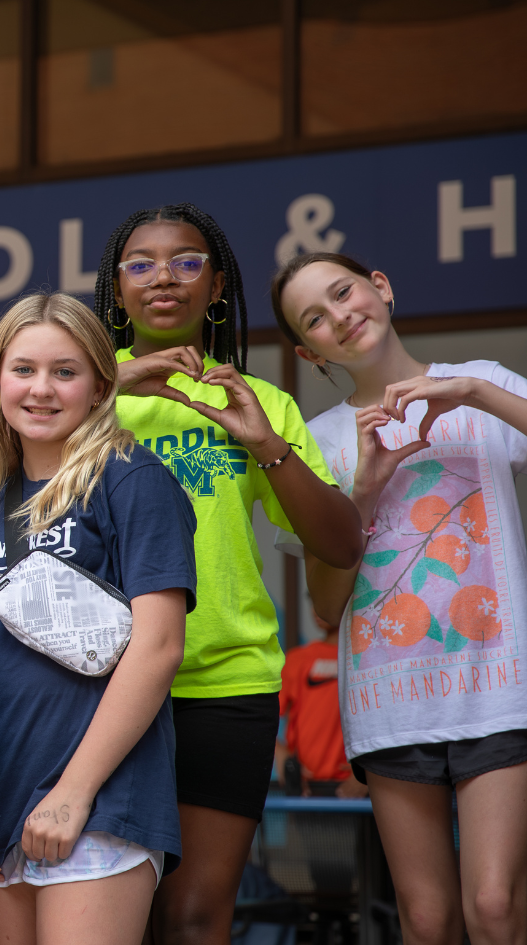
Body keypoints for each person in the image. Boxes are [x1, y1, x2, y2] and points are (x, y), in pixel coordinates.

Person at [92, 204, 363, 945]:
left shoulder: (261, 401)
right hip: (96, 684)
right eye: (140, 263)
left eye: (186, 262)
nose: (163, 278)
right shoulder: (74, 394)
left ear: (216, 287)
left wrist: (267, 443)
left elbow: (341, 544)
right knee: (109, 918)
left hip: (224, 684)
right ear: (116, 290)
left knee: (194, 919)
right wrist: (110, 387)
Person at [271, 251, 527, 945]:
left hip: (497, 688)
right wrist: (363, 492)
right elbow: (325, 604)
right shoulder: (321, 442)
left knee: (497, 906)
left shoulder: (483, 389)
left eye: (344, 291)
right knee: (426, 918)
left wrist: (470, 392)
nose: (340, 316)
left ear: (380, 287)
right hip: (390, 700)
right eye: (314, 318)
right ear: (307, 349)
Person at [0, 292, 195, 945]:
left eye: (65, 371)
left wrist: (75, 792)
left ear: (100, 385)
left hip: (99, 798)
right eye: (23, 369)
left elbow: (159, 646)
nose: (41, 388)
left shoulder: (130, 477)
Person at [275, 615, 361, 797]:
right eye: (311, 597)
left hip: (358, 791)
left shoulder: (368, 656)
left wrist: (369, 772)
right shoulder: (297, 658)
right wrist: (283, 760)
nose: (315, 607)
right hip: (306, 789)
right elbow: (265, 719)